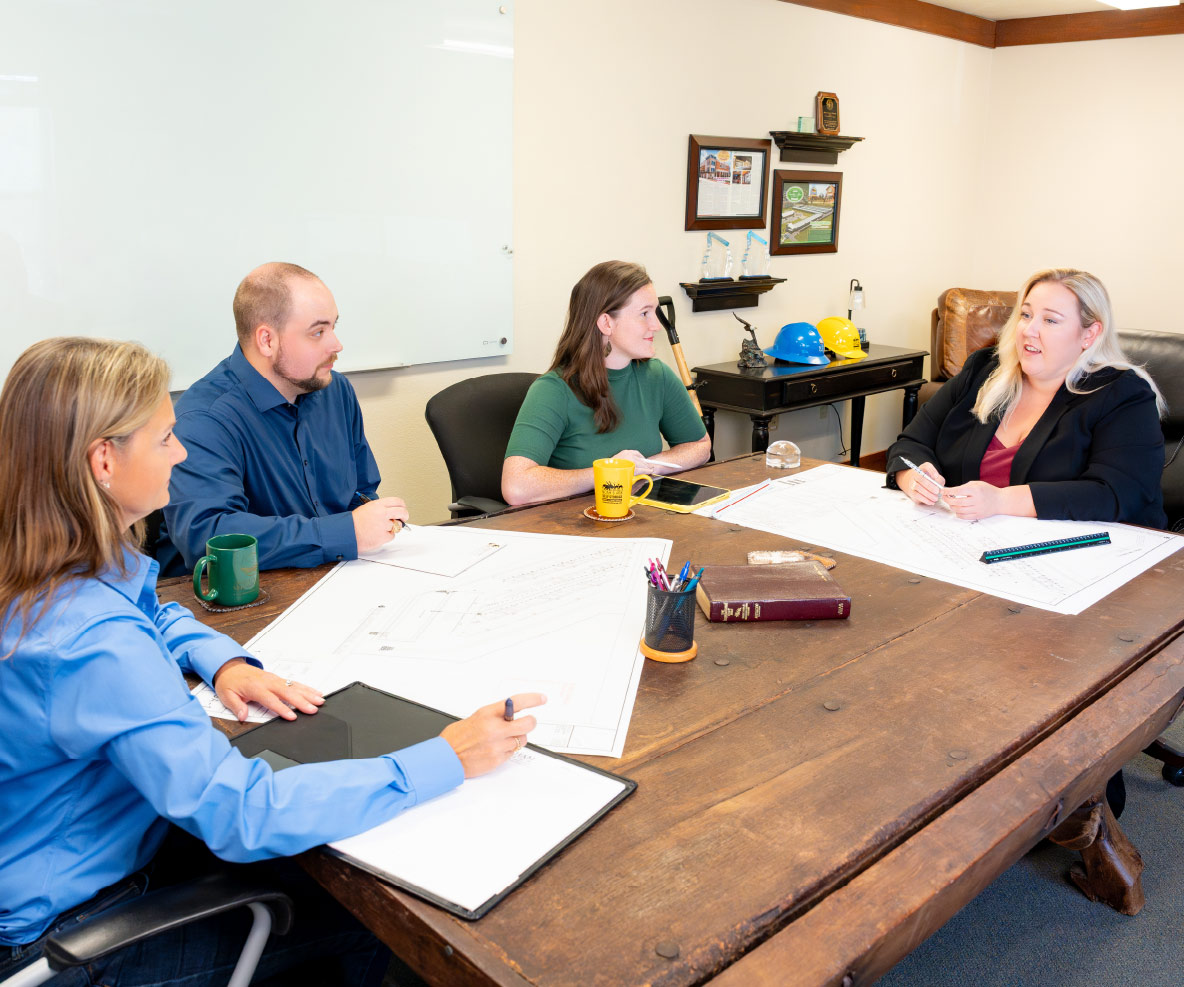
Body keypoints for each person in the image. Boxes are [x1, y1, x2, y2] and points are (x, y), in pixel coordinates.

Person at [0, 337, 544, 985]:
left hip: (77, 855)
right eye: (165, 438)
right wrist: (447, 756)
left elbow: (152, 611)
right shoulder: (94, 640)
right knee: (376, 920)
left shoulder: (41, 561)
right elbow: (241, 812)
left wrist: (224, 662)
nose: (181, 453)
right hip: (71, 938)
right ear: (103, 461)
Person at [157, 262, 408, 575]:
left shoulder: (336, 391)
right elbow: (210, 537)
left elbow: (361, 490)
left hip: (336, 575)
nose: (336, 345)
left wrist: (371, 520)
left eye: (334, 327)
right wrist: (346, 532)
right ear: (267, 340)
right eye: (318, 332)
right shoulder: (204, 419)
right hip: (239, 592)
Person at [887, 267, 1166, 528]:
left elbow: (1117, 493)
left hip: (1092, 551)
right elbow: (911, 443)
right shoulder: (983, 370)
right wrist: (913, 478)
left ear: (1089, 335)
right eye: (1026, 315)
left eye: (1050, 320)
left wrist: (999, 501)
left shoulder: (1123, 394)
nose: (1029, 330)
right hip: (969, 538)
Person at [501, 260, 711, 506]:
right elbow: (516, 487)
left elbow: (700, 446)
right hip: (574, 521)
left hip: (638, 515)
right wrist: (611, 472)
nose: (656, 325)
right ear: (606, 323)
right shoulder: (553, 390)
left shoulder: (657, 376)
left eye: (654, 312)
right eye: (644, 314)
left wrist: (647, 466)